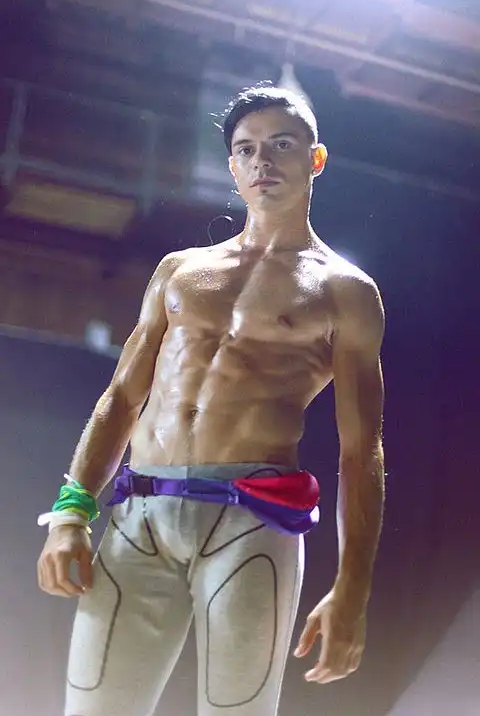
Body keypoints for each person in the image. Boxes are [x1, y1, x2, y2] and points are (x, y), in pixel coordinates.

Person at [37, 84, 385, 716]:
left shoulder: (345, 292)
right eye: (246, 149)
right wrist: (70, 513)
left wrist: (352, 588)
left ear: (316, 159)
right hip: (140, 515)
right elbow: (122, 397)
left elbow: (362, 450)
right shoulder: (180, 270)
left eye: (281, 145)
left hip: (251, 524)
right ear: (232, 166)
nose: (262, 161)